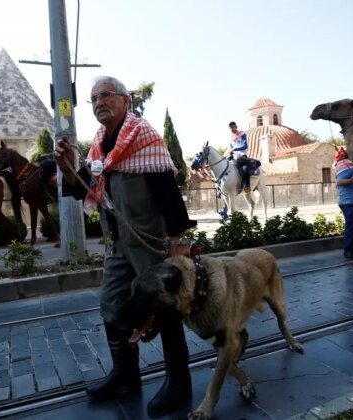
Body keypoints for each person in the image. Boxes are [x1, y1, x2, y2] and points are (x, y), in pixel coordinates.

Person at [53, 76, 196, 416]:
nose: (99, 102)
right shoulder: (100, 146)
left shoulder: (144, 137)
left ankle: (179, 382)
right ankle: (125, 375)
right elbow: (84, 189)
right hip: (119, 245)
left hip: (152, 245)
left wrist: (179, 241)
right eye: (93, 99)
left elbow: (169, 194)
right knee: (112, 304)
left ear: (125, 100)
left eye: (105, 95)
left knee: (165, 310)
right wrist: (66, 168)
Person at [229, 121, 252, 192]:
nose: (232, 129)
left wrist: (236, 149)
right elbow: (231, 148)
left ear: (236, 127)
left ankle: (247, 186)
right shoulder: (231, 138)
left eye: (233, 127)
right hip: (234, 156)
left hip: (242, 154)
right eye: (230, 128)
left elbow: (245, 145)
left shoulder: (242, 134)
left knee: (245, 168)